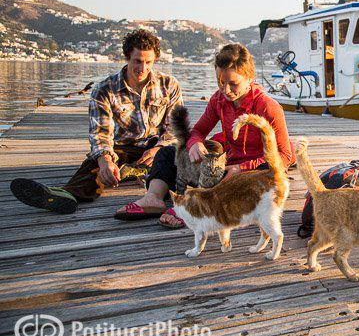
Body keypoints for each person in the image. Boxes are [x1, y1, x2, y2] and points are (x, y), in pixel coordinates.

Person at [116, 43, 295, 228]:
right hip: (228, 166)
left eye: (233, 84)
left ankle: (192, 207)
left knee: (217, 181)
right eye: (221, 82)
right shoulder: (219, 99)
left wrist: (241, 168)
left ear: (249, 77)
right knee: (168, 153)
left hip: (257, 172)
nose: (225, 90)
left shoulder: (268, 107)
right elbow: (199, 131)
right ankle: (153, 198)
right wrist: (195, 143)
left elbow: (285, 156)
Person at [10, 30, 182, 215]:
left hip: (156, 146)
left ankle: (153, 184)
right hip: (122, 147)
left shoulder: (169, 84)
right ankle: (67, 195)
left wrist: (158, 148)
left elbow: (174, 127)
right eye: (137, 61)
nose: (143, 68)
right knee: (96, 166)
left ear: (155, 60)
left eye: (148, 62)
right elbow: (100, 132)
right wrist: (105, 160)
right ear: (127, 57)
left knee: (180, 157)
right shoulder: (104, 89)